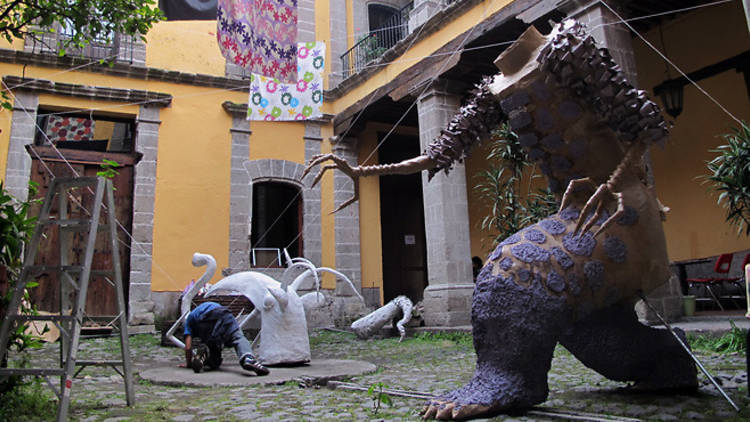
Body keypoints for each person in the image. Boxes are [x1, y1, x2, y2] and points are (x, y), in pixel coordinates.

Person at [182, 301, 269, 376]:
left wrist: (188, 364)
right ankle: (247, 358)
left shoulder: (189, 321)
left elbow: (188, 347)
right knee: (237, 337)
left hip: (204, 324)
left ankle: (203, 356)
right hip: (223, 314)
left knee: (212, 349)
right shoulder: (209, 306)